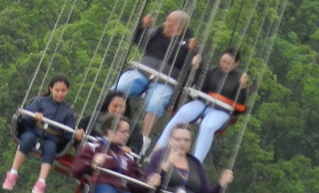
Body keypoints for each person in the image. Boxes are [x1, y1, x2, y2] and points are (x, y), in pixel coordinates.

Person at [113, 11, 201, 152]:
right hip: (142, 72)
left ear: (179, 27)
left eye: (169, 22)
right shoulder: (157, 33)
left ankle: (143, 141)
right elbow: (139, 41)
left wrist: (194, 58)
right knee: (120, 87)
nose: (165, 24)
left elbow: (193, 71)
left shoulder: (189, 43)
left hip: (166, 81)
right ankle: (106, 121)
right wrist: (142, 27)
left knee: (156, 102)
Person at [154, 49, 250, 162]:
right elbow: (200, 87)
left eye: (229, 63)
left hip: (222, 110)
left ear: (236, 64)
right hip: (204, 102)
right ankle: (158, 148)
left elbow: (240, 103)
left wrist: (243, 88)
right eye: (223, 61)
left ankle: (196, 162)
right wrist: (197, 69)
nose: (225, 65)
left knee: (207, 126)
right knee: (182, 113)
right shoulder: (213, 71)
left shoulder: (239, 78)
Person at [4, 75, 84, 193]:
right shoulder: (40, 101)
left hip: (52, 137)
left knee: (51, 149)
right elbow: (25, 117)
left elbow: (68, 134)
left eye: (63, 91)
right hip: (35, 130)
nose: (60, 94)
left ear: (67, 91)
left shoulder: (68, 112)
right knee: (27, 140)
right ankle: (13, 173)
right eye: (57, 90)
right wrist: (34, 117)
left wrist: (77, 135)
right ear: (51, 89)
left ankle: (41, 182)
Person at [80, 90, 145, 154]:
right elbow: (81, 127)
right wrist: (79, 133)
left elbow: (136, 146)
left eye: (122, 107)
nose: (118, 110)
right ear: (108, 105)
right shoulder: (95, 117)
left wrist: (130, 150)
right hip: (90, 152)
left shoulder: (133, 127)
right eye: (115, 106)